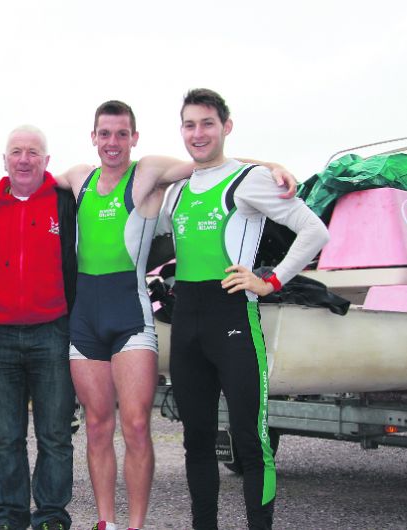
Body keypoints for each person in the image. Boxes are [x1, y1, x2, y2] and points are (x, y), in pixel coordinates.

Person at [54, 100, 297, 530]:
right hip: (85, 319)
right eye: (104, 134)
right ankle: (107, 522)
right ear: (93, 137)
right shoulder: (79, 178)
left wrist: (272, 164)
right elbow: (31, 180)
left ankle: (136, 525)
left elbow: (210, 160)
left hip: (130, 315)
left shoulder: (147, 171)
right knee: (95, 426)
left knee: (134, 425)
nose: (113, 143)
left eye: (121, 134)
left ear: (134, 137)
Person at [161, 88, 329, 530]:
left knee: (250, 441)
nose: (198, 133)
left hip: (233, 317)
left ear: (226, 127)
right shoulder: (175, 190)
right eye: (190, 124)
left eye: (207, 123)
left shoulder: (248, 181)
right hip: (187, 322)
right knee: (196, 442)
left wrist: (269, 281)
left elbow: (313, 231)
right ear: (182, 130)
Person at [0, 125, 77, 530]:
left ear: (47, 161)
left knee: (55, 435)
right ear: (5, 160)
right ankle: (10, 514)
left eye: (33, 152)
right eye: (16, 152)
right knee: (6, 437)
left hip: (53, 331)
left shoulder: (66, 202)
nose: (24, 159)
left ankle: (51, 514)